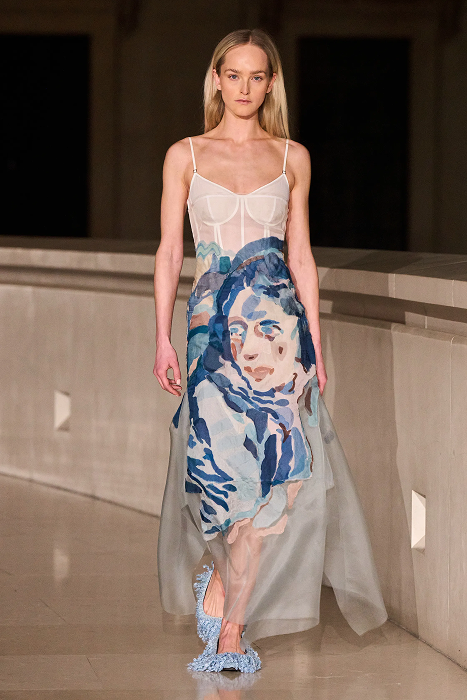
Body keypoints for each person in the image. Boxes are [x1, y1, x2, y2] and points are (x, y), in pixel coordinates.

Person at [154, 28, 387, 674]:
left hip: (279, 339)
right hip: (211, 336)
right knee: (220, 475)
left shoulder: (292, 158)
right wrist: (160, 336)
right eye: (234, 75)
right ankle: (222, 580)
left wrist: (316, 347)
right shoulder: (184, 156)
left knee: (274, 479)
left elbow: (301, 257)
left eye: (257, 76)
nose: (245, 87)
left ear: (270, 83)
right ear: (216, 78)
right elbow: (170, 252)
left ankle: (232, 629)